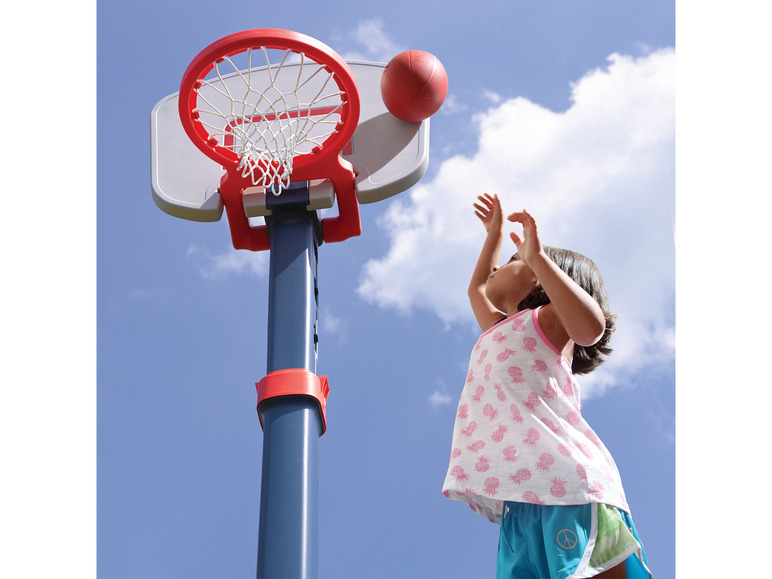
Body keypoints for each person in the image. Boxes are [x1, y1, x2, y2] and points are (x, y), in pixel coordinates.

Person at [441, 193, 651, 579]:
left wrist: (536, 256)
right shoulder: (498, 328)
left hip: (567, 483)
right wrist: (495, 234)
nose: (496, 268)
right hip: (520, 497)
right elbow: (476, 290)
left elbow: (590, 328)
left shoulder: (547, 321)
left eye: (510, 261)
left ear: (539, 276)